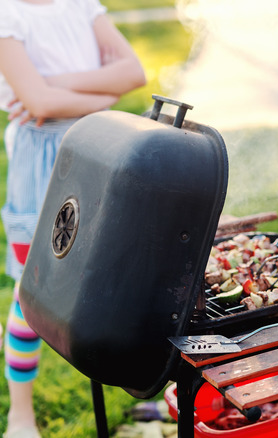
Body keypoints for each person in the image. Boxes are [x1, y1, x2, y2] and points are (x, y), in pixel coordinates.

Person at [0, 1, 146, 436]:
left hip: (101, 148)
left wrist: (57, 87)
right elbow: (37, 103)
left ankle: (132, 387)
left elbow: (133, 73)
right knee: (34, 289)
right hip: (41, 160)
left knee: (109, 275)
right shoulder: (8, 13)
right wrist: (101, 97)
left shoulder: (81, 5)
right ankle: (20, 413)